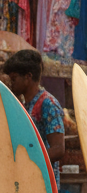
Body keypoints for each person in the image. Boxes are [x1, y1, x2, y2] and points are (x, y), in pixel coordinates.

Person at [4, 50, 65, 180]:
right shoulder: (25, 103)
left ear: (28, 77)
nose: (11, 84)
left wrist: (29, 160)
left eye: (14, 79)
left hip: (43, 181)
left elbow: (58, 149)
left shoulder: (48, 104)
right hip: (26, 178)